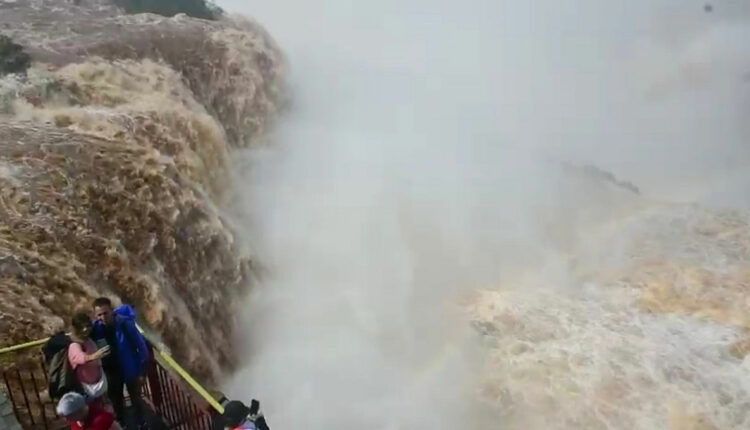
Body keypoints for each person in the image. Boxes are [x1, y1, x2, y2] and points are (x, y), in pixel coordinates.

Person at [90, 297, 150, 429]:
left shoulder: (124, 324)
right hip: (111, 371)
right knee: (116, 402)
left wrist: (142, 372)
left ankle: (142, 424)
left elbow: (141, 347)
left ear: (112, 311)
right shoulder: (96, 330)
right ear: (95, 316)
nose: (103, 317)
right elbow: (80, 339)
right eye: (99, 315)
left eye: (105, 313)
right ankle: (122, 425)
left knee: (136, 399)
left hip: (130, 369)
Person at [69, 312, 111, 406]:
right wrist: (93, 356)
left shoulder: (89, 341)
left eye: (87, 326)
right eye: (82, 327)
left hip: (98, 385)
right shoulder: (74, 345)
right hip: (86, 389)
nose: (85, 329)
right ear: (76, 329)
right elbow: (78, 357)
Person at [56, 391, 123, 430]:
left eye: (68, 416)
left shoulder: (103, 419)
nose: (66, 420)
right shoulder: (75, 422)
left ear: (79, 411)